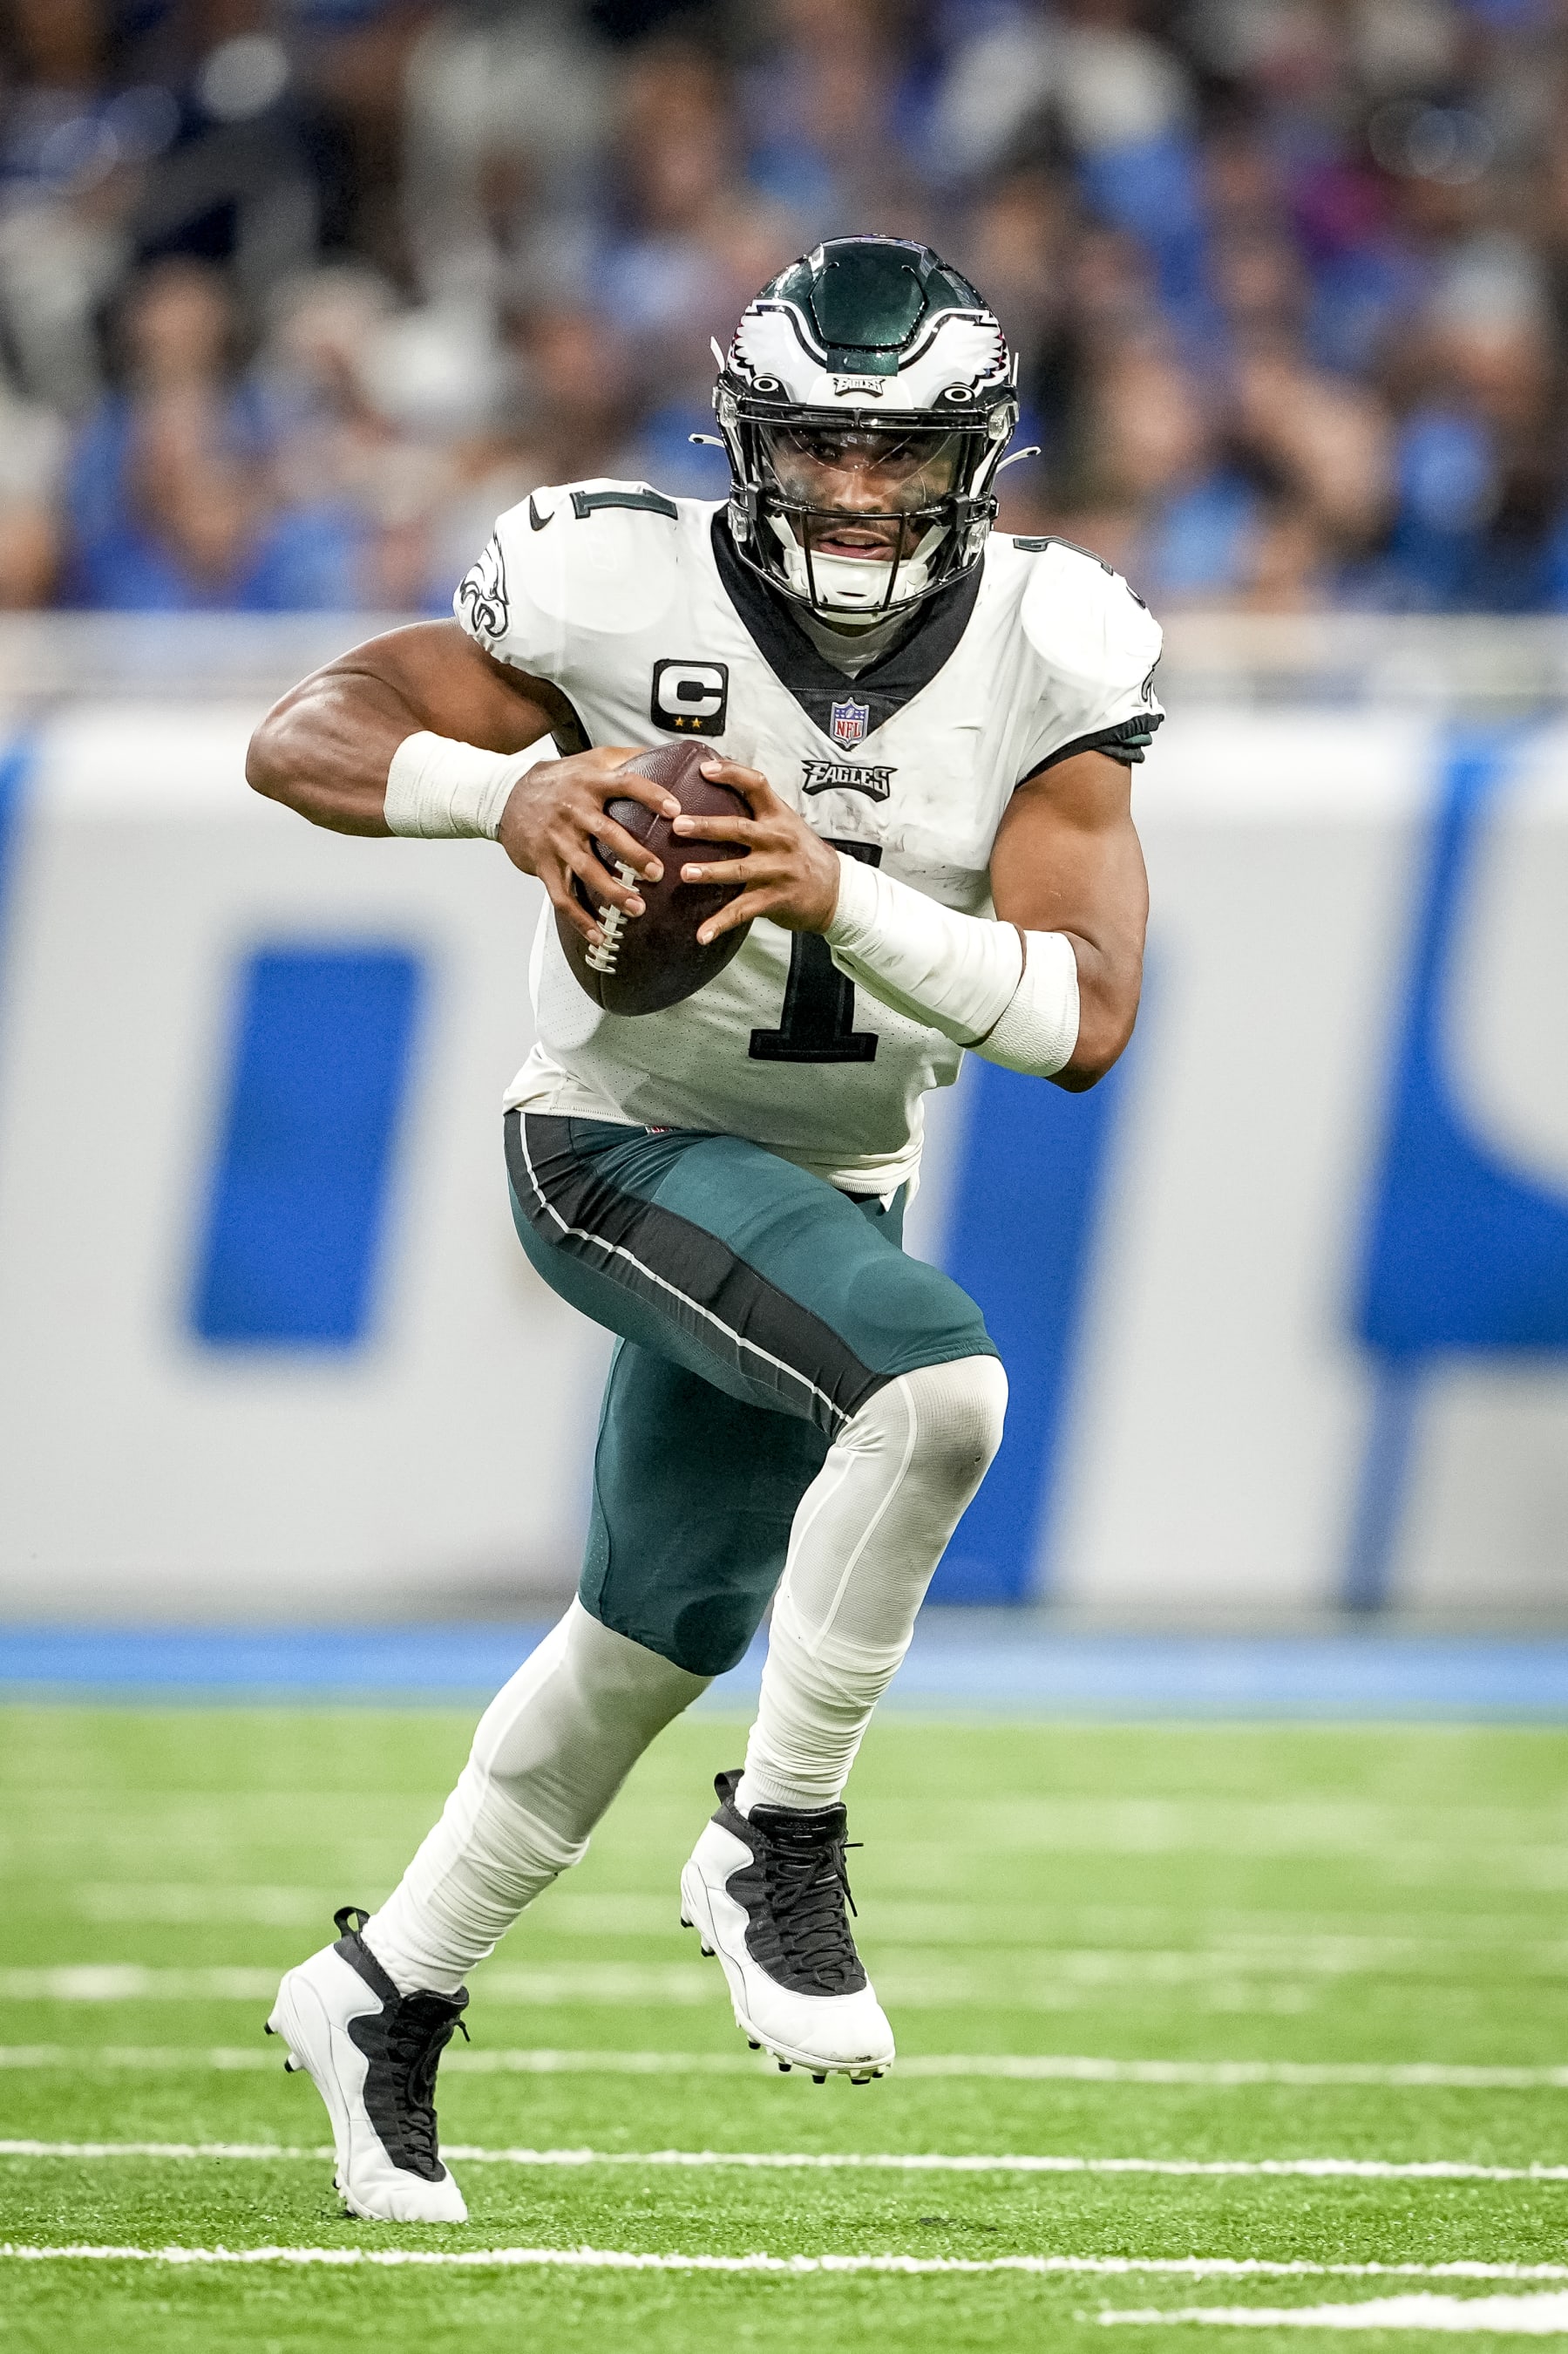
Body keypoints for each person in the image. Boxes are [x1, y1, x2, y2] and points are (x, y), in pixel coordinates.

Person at [248, 235, 1161, 2224]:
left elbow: (1082, 1014)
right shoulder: (608, 573)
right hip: (617, 1138)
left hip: (830, 1173)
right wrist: (496, 799)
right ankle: (782, 1833)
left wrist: (834, 895)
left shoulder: (1052, 639)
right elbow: (300, 729)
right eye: (819, 449)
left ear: (976, 461)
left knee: (647, 1639)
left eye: (897, 457)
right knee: (941, 1393)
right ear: (745, 440)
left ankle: (382, 1989)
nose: (852, 494)